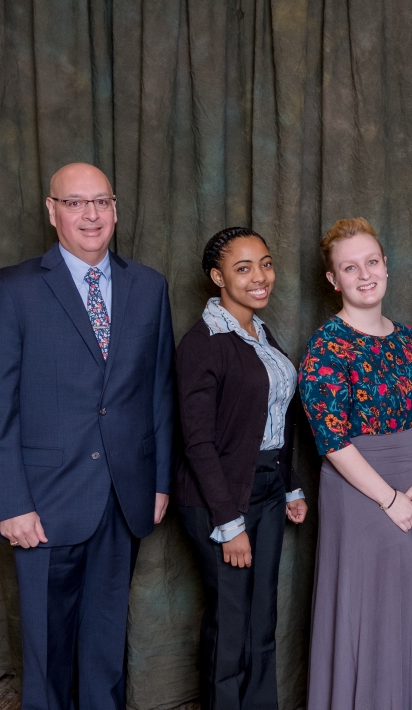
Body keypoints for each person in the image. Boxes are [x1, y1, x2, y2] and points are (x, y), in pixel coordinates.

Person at [0, 162, 175, 710]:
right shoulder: (12, 290)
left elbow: (158, 392)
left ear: (115, 208)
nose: (91, 214)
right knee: (48, 647)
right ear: (52, 210)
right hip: (43, 501)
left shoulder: (148, 286)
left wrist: (158, 483)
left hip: (123, 496)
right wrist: (10, 502)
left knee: (106, 648)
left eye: (101, 201)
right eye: (76, 202)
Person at [298, 217, 412, 710]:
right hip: (359, 490)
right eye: (350, 267)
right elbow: (331, 440)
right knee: (361, 606)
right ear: (334, 280)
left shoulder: (409, 341)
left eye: (371, 262)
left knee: (397, 607)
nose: (364, 274)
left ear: (385, 266)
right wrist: (391, 499)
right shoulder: (326, 346)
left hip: (408, 484)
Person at [174, 227, 307, 710]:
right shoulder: (203, 343)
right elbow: (198, 442)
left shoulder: (260, 332)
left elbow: (272, 418)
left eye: (266, 263)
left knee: (260, 619)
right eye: (243, 268)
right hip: (219, 497)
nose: (260, 277)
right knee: (230, 623)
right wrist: (229, 525)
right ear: (217, 277)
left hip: (267, 487)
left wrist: (290, 485)